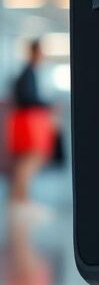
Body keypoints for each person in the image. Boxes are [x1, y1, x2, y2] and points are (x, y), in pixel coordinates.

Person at [5, 40, 56, 220]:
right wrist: (48, 105)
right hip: (28, 121)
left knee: (28, 161)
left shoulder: (30, 73)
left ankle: (21, 199)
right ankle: (20, 200)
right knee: (29, 160)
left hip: (29, 121)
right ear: (36, 52)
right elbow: (28, 99)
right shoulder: (27, 74)